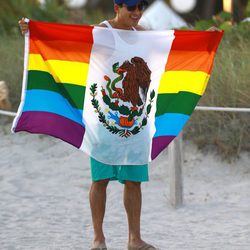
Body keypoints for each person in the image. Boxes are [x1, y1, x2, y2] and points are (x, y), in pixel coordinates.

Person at [19, 1, 221, 249]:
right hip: (103, 122)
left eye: (140, 8)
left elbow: (175, 47)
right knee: (100, 180)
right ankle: (98, 239)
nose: (136, 14)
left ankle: (134, 239)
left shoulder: (143, 36)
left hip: (138, 123)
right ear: (117, 7)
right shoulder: (100, 33)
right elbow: (64, 44)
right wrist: (34, 32)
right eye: (131, 8)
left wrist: (204, 40)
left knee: (134, 181)